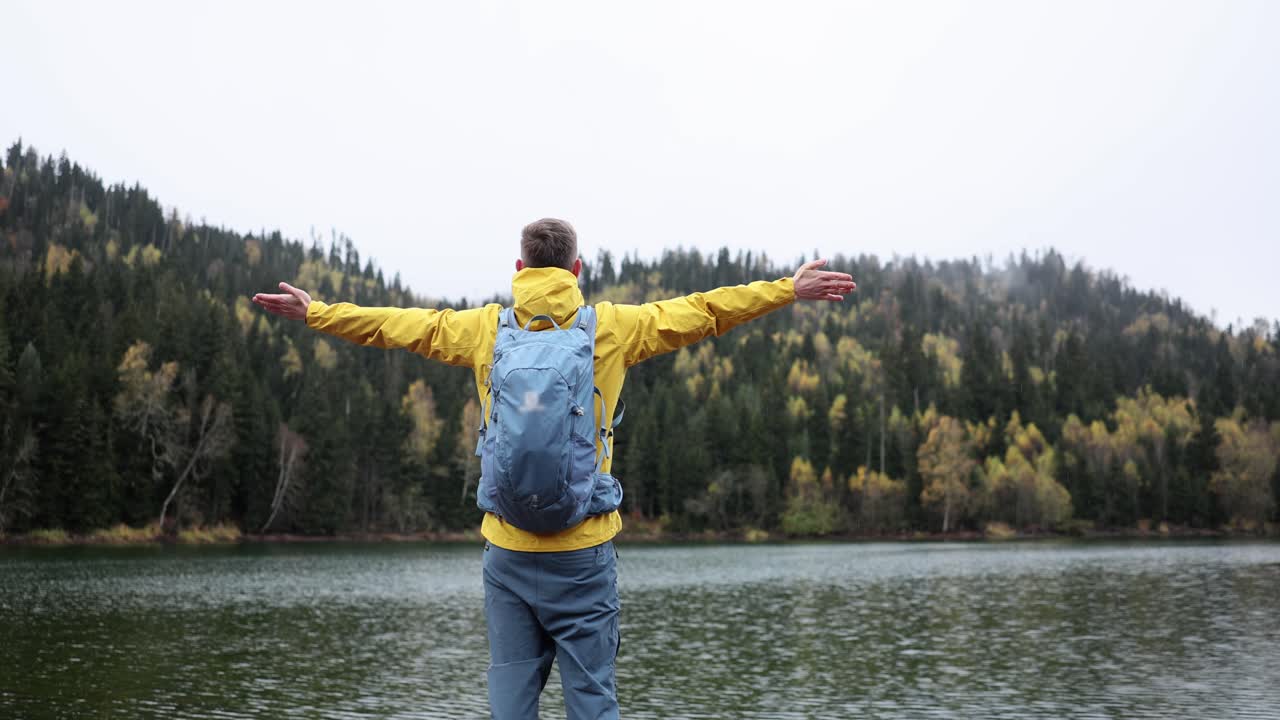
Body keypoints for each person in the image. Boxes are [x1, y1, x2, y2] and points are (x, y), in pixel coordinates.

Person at [252, 218, 855, 719]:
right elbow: (705, 311)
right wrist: (786, 290)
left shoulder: (483, 330)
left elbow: (395, 326)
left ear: (520, 272)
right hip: (583, 550)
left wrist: (319, 313)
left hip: (508, 552)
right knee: (592, 698)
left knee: (511, 700)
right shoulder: (614, 329)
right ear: (576, 271)